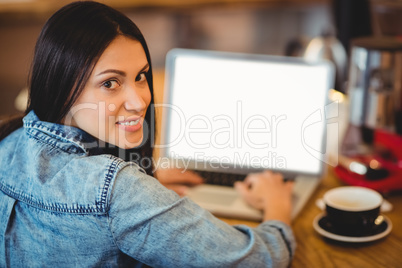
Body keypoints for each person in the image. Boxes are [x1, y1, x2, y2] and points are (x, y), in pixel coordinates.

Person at [0, 1, 295, 267]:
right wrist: (277, 207)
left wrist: (146, 178)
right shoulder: (121, 192)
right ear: (62, 87)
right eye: (110, 83)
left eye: (141, 76)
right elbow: (260, 259)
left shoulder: (8, 139)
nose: (140, 101)